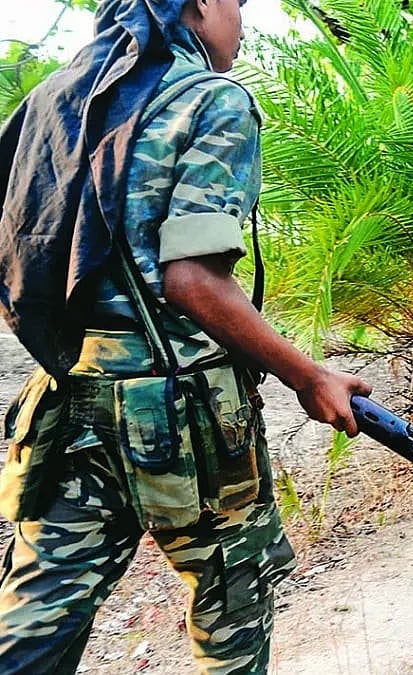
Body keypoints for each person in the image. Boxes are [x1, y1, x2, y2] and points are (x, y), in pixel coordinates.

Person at [0, 1, 372, 672]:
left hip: (63, 407)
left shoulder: (51, 99)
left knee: (33, 628)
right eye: (238, 2)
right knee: (232, 613)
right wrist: (310, 375)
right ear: (199, 3)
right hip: (184, 425)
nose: (244, 18)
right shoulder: (212, 101)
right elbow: (194, 281)